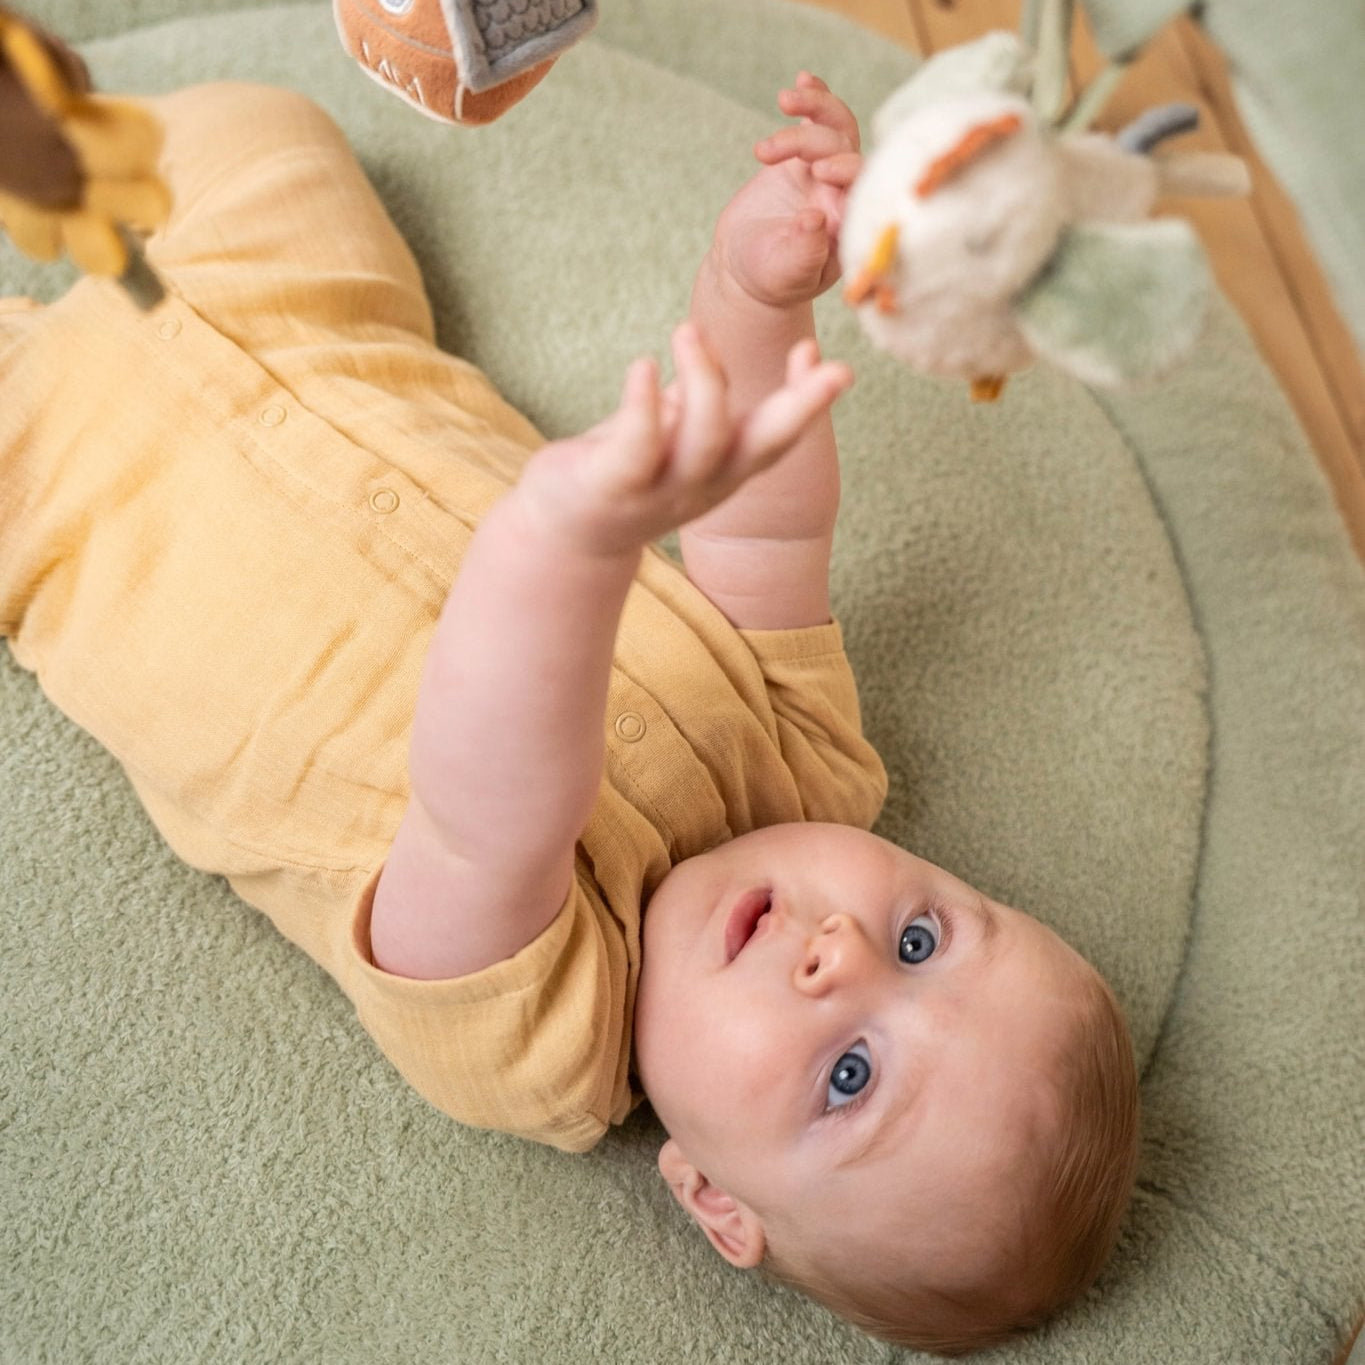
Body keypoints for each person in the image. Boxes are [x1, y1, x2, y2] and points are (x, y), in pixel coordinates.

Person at [0, 67, 1139, 1354]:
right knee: (268, 138)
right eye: (924, 940)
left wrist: (569, 548)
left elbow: (490, 804)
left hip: (68, 499)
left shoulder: (544, 1047)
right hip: (313, 327)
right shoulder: (812, 769)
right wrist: (759, 295)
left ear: (714, 1198)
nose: (844, 958)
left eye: (849, 1076)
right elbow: (764, 512)